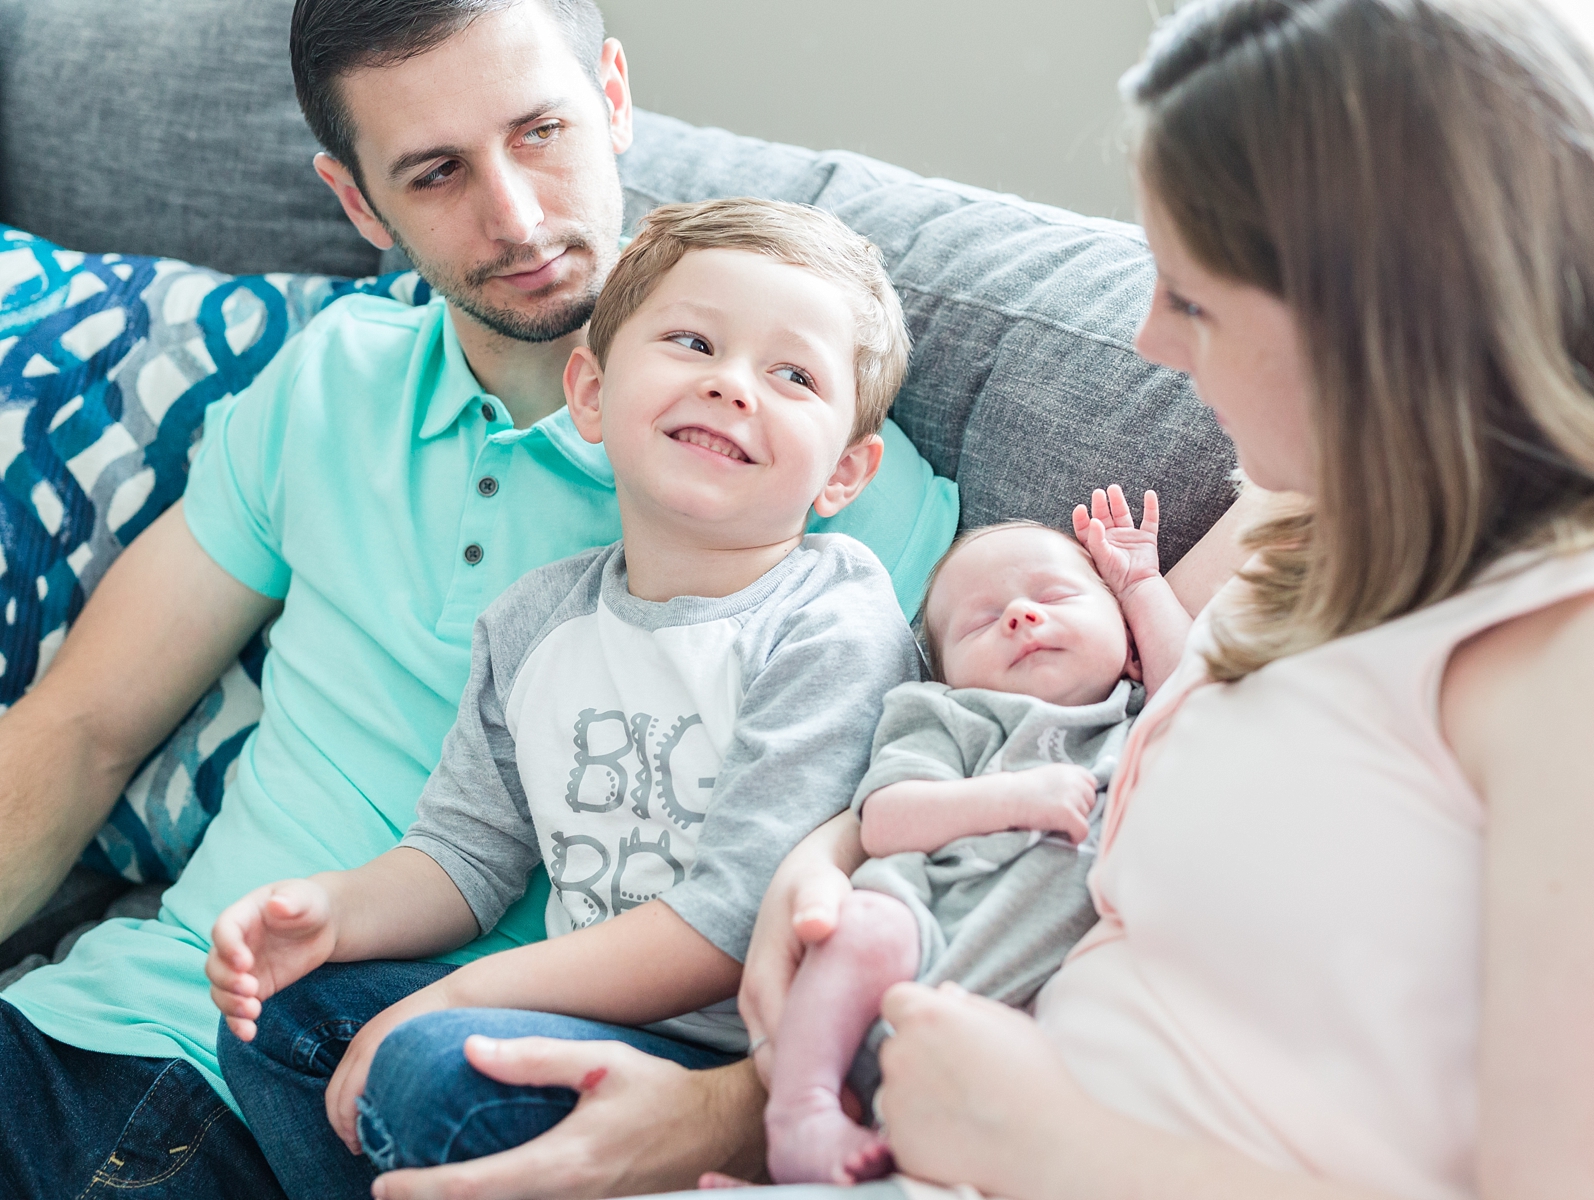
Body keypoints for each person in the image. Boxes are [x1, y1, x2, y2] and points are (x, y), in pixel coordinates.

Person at [665, 0, 1594, 1197]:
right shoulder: (1341, 498)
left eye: (1191, 299)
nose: (1151, 340)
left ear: (1389, 315)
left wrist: (1046, 1145)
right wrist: (825, 860)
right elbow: (1095, 732)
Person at [0, 2, 968, 1196]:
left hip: (419, 1099)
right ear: (359, 203)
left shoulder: (817, 488)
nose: (514, 218)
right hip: (104, 1025)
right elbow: (80, 732)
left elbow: (941, 861)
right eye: (437, 171)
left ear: (613, 97)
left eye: (542, 131)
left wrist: (723, 1115)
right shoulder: (328, 380)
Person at [202, 196, 924, 1194]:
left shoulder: (832, 617)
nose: (729, 386)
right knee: (285, 1014)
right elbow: (463, 857)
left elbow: (730, 926)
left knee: (423, 1068)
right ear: (589, 392)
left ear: (845, 470)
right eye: (692, 341)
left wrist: (457, 995)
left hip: (744, 1068)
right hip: (570, 1017)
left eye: (791, 374)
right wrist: (334, 912)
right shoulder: (534, 621)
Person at [764, 510, 1185, 1184]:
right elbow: (886, 820)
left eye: (1053, 598)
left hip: (1038, 1007)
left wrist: (1141, 587)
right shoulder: (949, 715)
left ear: (1131, 647)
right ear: (948, 675)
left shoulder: (1140, 715)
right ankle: (800, 1109)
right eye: (979, 623)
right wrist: (1013, 801)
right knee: (867, 923)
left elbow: (1198, 691)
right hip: (928, 932)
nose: (1019, 615)